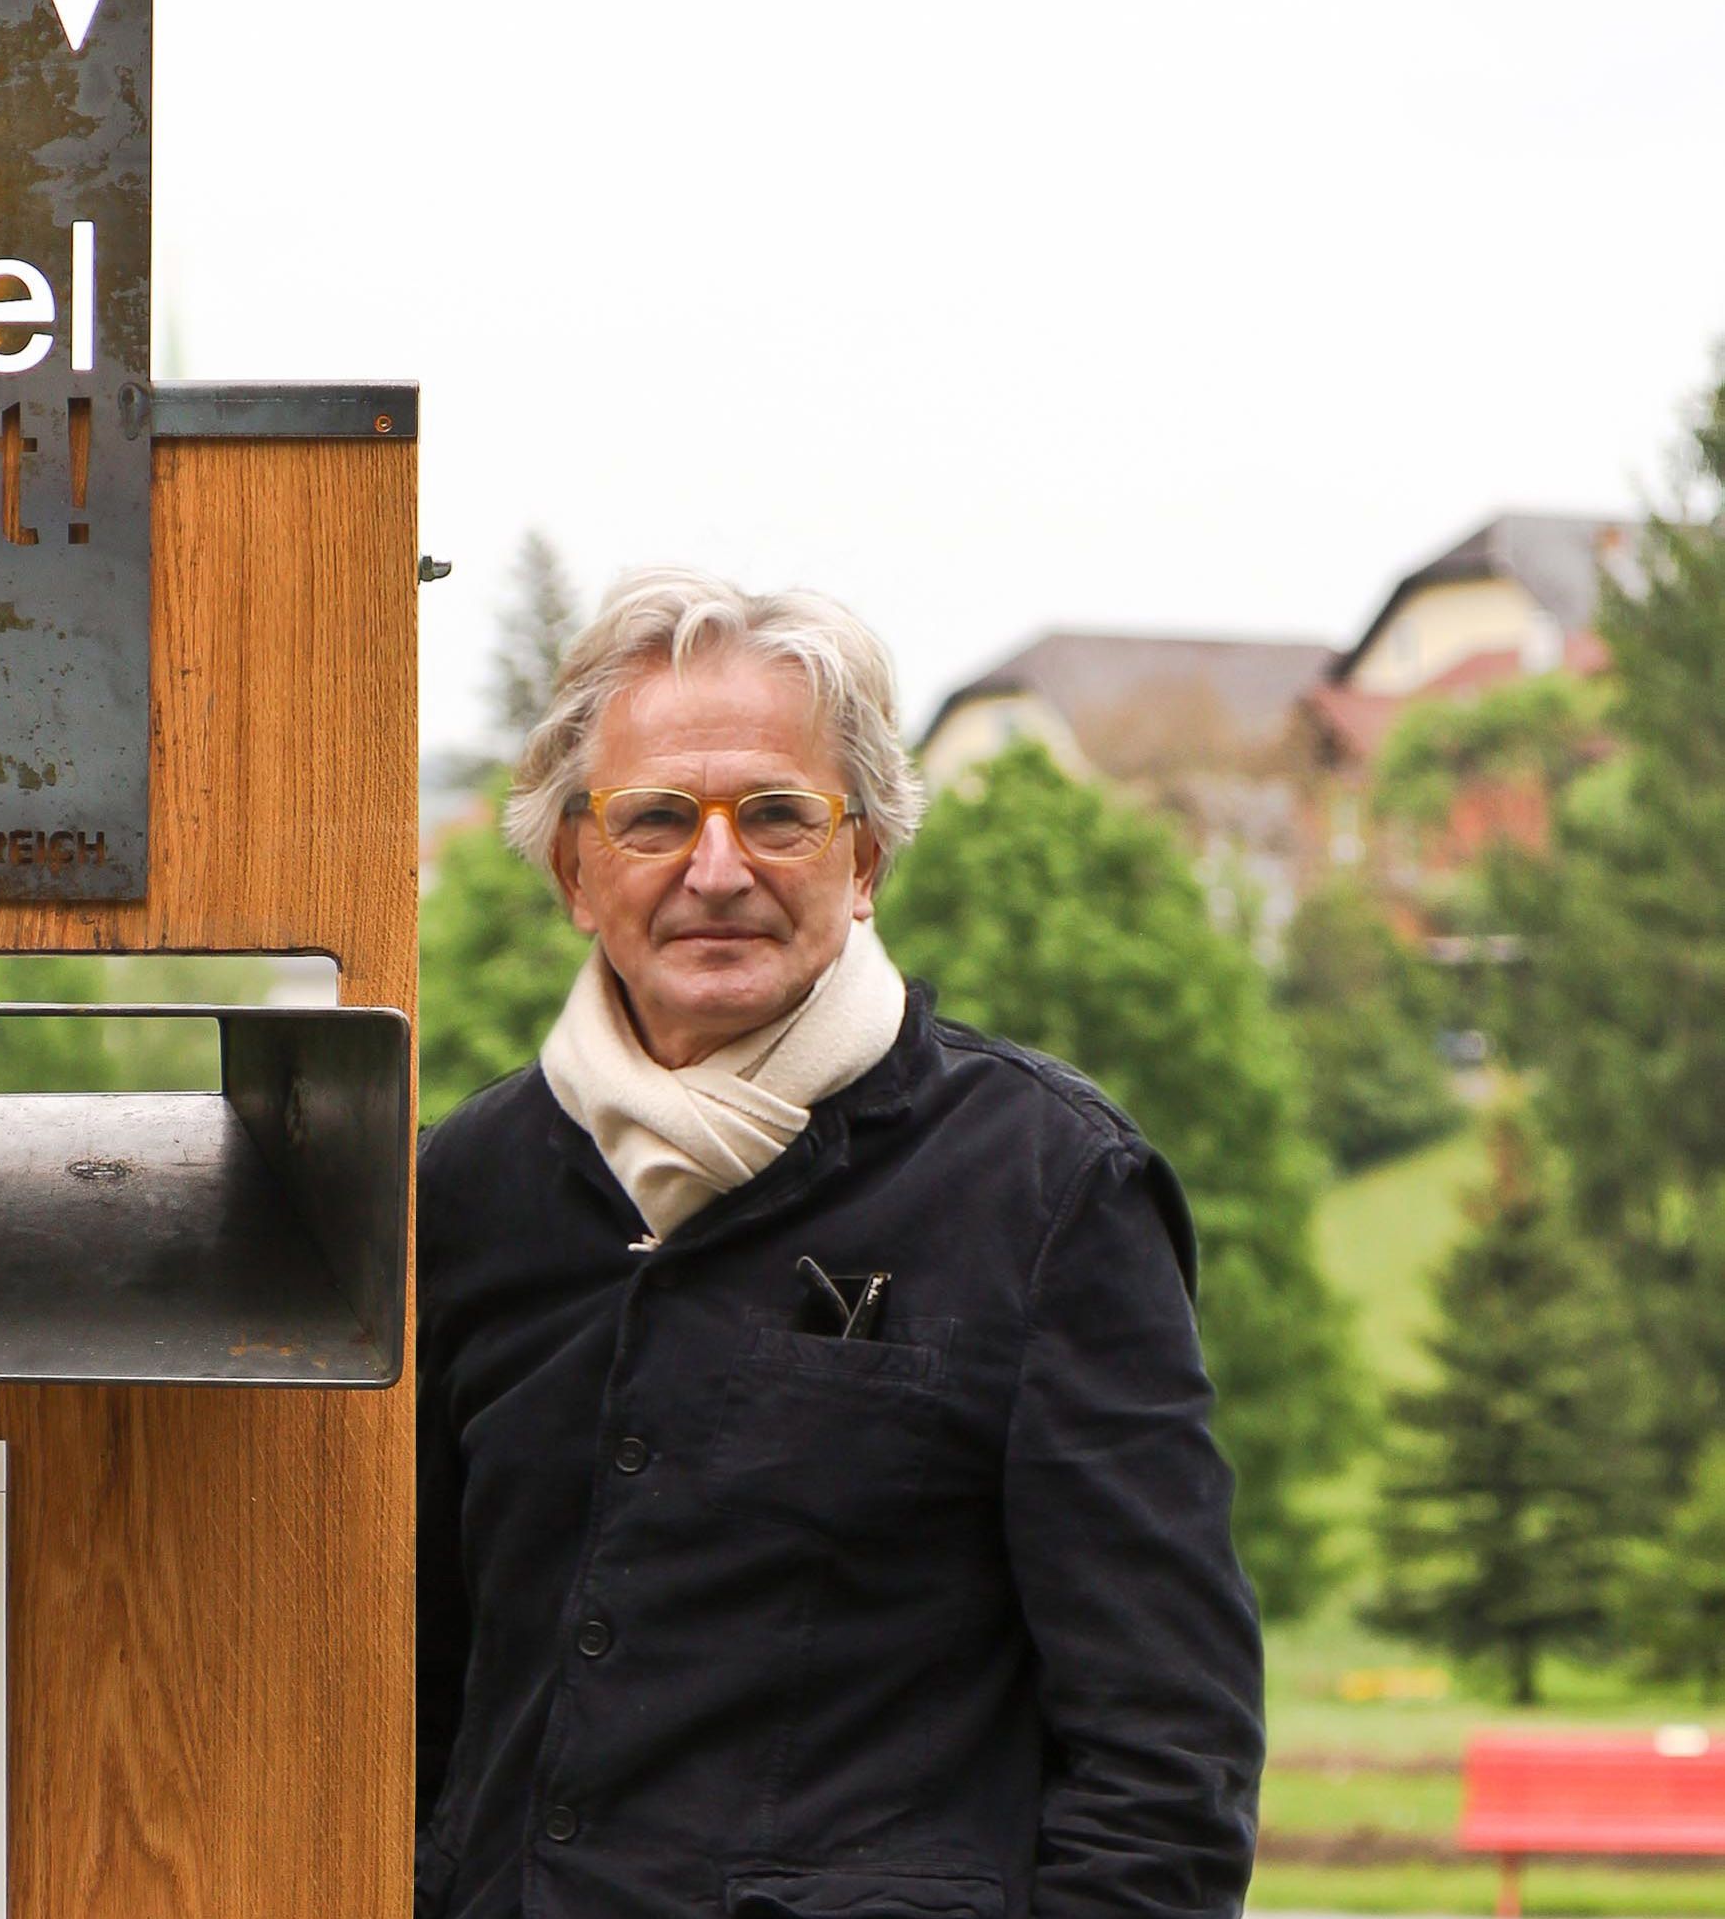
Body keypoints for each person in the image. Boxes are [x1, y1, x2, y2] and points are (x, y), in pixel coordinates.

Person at [414, 570, 1263, 1919]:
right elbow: (412, 1687)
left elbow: (1165, 1749)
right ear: (575, 867)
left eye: (775, 816)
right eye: (652, 820)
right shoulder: (469, 1188)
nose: (714, 868)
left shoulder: (1043, 1183)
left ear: (859, 858)